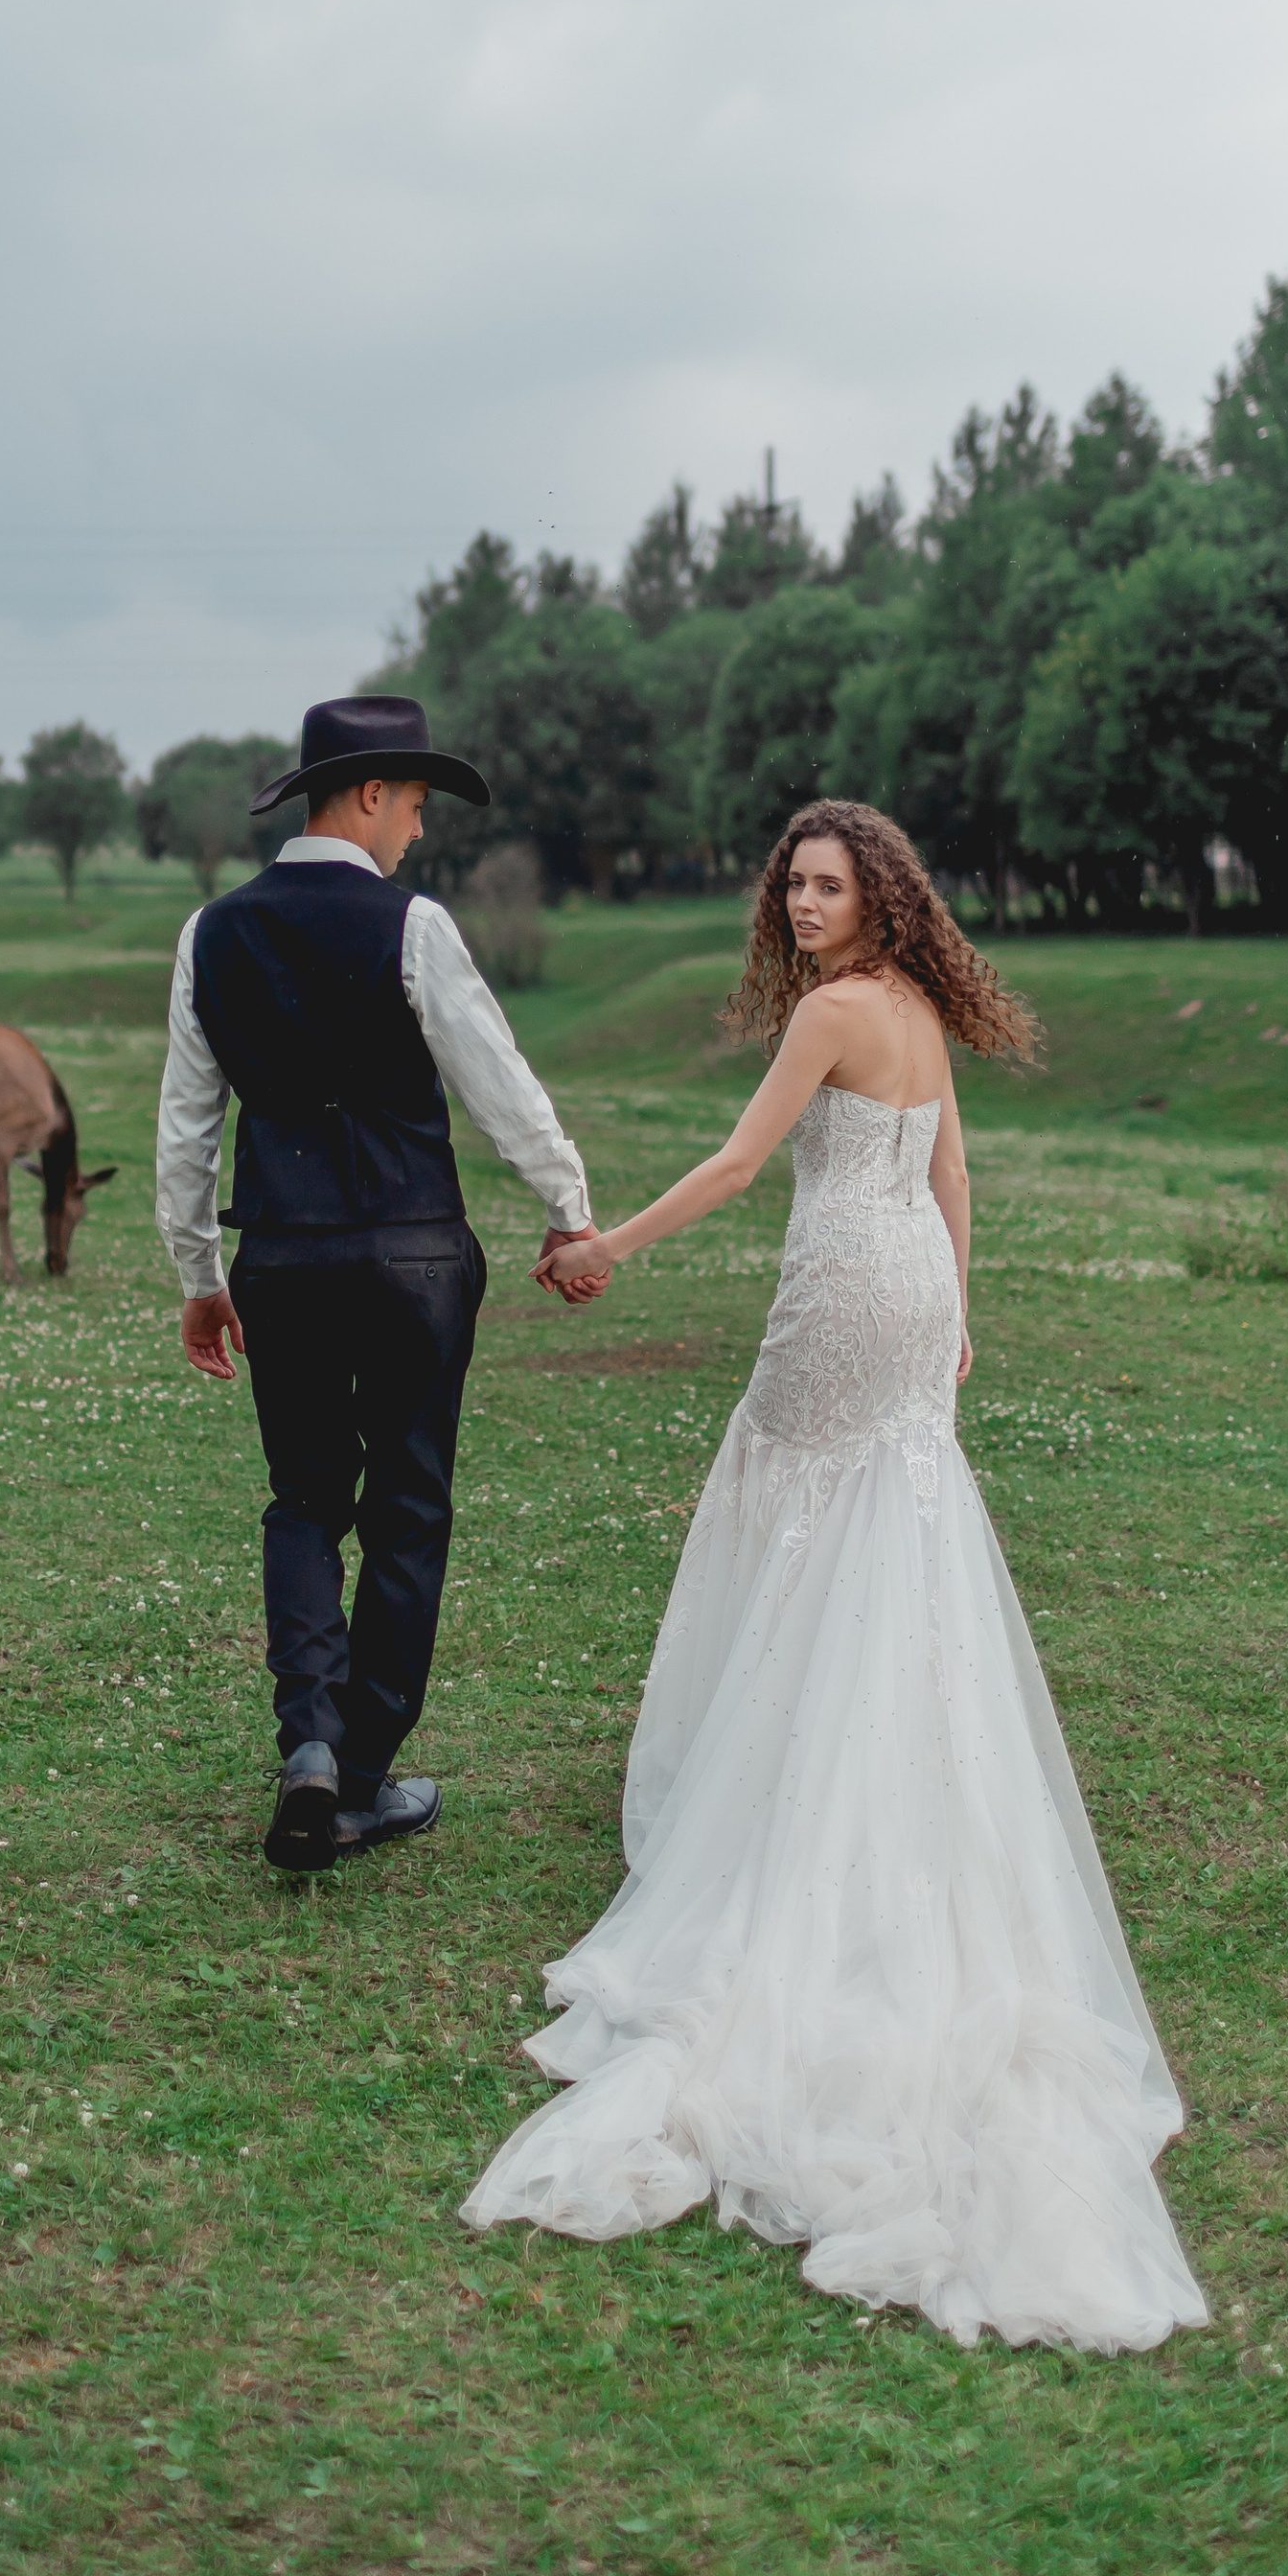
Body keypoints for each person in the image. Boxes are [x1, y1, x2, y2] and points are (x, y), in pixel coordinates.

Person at [461, 799, 1208, 2355]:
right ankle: (877, 1771)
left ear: (881, 895)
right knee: (886, 1524)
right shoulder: (922, 1007)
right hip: (910, 1289)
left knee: (793, 1507)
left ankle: (784, 1792)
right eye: (791, 884)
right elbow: (951, 1177)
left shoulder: (833, 1011)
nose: (802, 905)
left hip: (847, 1292)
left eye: (828, 883)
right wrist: (961, 1311)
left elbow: (742, 1164)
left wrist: (606, 1246)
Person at [157, 695, 598, 1876]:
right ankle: (359, 1779)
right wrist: (566, 1203)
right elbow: (493, 1075)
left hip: (284, 1259)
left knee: (303, 1498)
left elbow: (187, 1130)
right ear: (363, 795)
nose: (414, 831)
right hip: (411, 1257)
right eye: (410, 804)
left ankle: (307, 1738)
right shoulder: (412, 925)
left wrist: (199, 1274)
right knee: (407, 1505)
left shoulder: (213, 932)